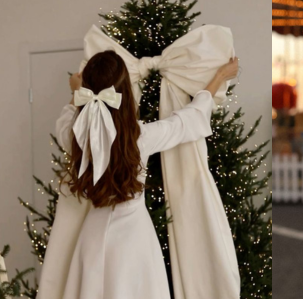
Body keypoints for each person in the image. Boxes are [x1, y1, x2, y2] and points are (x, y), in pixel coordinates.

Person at [38, 50, 238, 299]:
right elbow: (189, 120)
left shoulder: (78, 137)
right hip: (134, 242)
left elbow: (64, 121)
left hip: (92, 238)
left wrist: (75, 93)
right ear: (125, 91)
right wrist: (219, 76)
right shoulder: (140, 139)